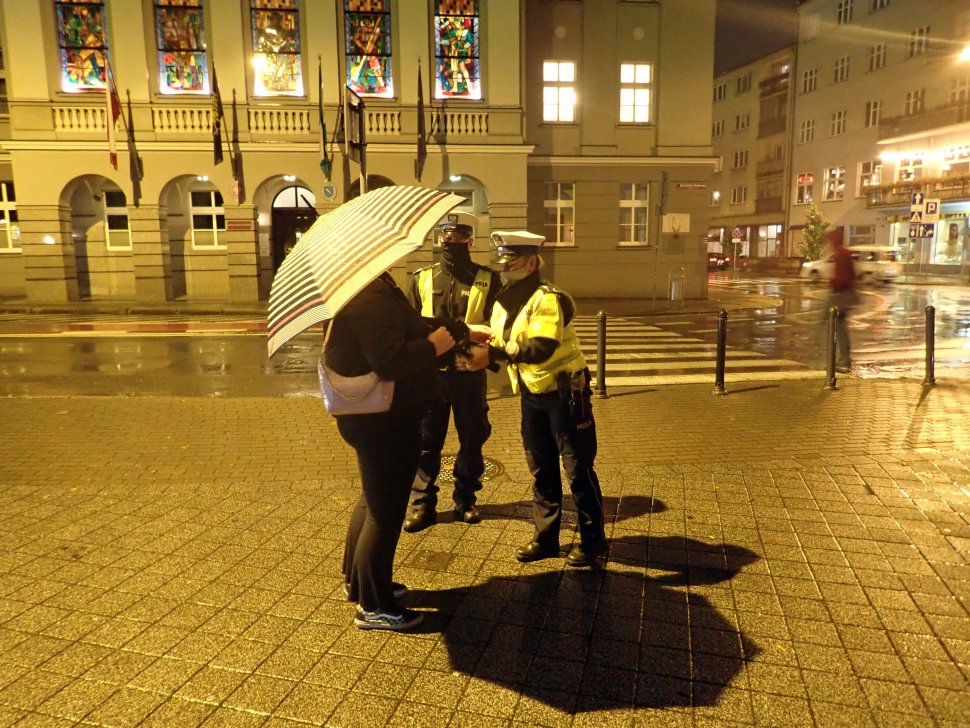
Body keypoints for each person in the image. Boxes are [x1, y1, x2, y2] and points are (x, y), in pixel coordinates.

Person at [458, 231, 606, 567]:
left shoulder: (548, 298)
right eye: (501, 257)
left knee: (577, 469)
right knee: (541, 470)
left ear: (530, 260)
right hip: (532, 394)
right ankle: (546, 539)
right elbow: (501, 336)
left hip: (566, 395)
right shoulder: (505, 299)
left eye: (510, 257)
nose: (504, 264)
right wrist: (474, 337)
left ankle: (594, 542)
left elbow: (540, 347)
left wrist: (494, 352)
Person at [325, 271, 457, 631]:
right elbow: (389, 359)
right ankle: (375, 606)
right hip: (384, 420)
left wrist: (453, 331)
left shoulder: (365, 286)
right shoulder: (369, 295)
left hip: (375, 417)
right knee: (384, 512)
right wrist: (434, 347)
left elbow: (404, 326)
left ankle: (360, 581)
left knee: (372, 500)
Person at [402, 212, 501, 532]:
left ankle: (466, 500)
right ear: (438, 237)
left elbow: (501, 326)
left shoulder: (489, 279)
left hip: (469, 373)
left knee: (472, 439)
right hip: (431, 375)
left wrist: (488, 347)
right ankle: (422, 504)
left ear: (470, 239)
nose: (450, 241)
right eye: (445, 235)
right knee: (426, 442)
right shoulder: (421, 278)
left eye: (458, 236)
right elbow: (409, 327)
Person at [827, 226, 857, 373]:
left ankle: (844, 361)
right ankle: (843, 359)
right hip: (846, 295)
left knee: (840, 328)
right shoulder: (843, 253)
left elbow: (843, 278)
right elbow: (852, 275)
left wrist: (833, 284)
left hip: (842, 296)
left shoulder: (841, 254)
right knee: (840, 327)